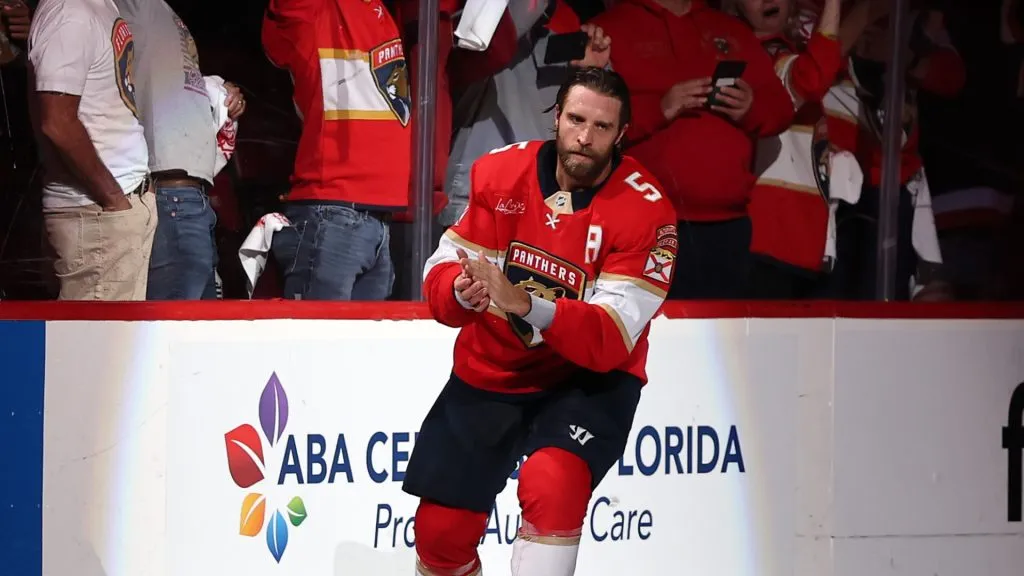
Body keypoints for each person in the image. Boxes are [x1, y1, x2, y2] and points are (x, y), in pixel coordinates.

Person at [401, 67, 677, 576]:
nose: (585, 136)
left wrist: (526, 304)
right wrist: (460, 291)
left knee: (553, 483)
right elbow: (442, 269)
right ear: (556, 117)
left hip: (587, 378)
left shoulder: (647, 212)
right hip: (495, 366)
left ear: (622, 134)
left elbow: (610, 337)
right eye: (576, 119)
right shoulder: (500, 173)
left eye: (601, 126)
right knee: (441, 535)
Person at [591, 0, 795, 299]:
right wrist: (659, 108)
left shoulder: (732, 30)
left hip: (725, 229)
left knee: (724, 326)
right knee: (637, 324)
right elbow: (586, 124)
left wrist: (751, 107)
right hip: (639, 227)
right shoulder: (607, 30)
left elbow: (781, 109)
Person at [262, 0, 411, 301]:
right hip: (332, 211)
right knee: (315, 332)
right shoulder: (316, 10)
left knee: (360, 335)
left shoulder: (379, 10)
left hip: (377, 216)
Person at [114, 0, 245, 300]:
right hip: (170, 198)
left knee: (194, 324)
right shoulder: (134, 7)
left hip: (194, 201)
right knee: (172, 320)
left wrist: (219, 94)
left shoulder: (165, 12)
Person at [29, 0, 156, 300]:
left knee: (116, 327)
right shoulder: (70, 11)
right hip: (96, 214)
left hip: (113, 209)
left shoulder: (98, 6)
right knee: (97, 330)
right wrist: (114, 199)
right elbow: (57, 123)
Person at [729, 0, 845, 298]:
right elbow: (812, 77)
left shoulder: (778, 54)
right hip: (770, 237)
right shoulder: (761, 58)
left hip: (798, 237)